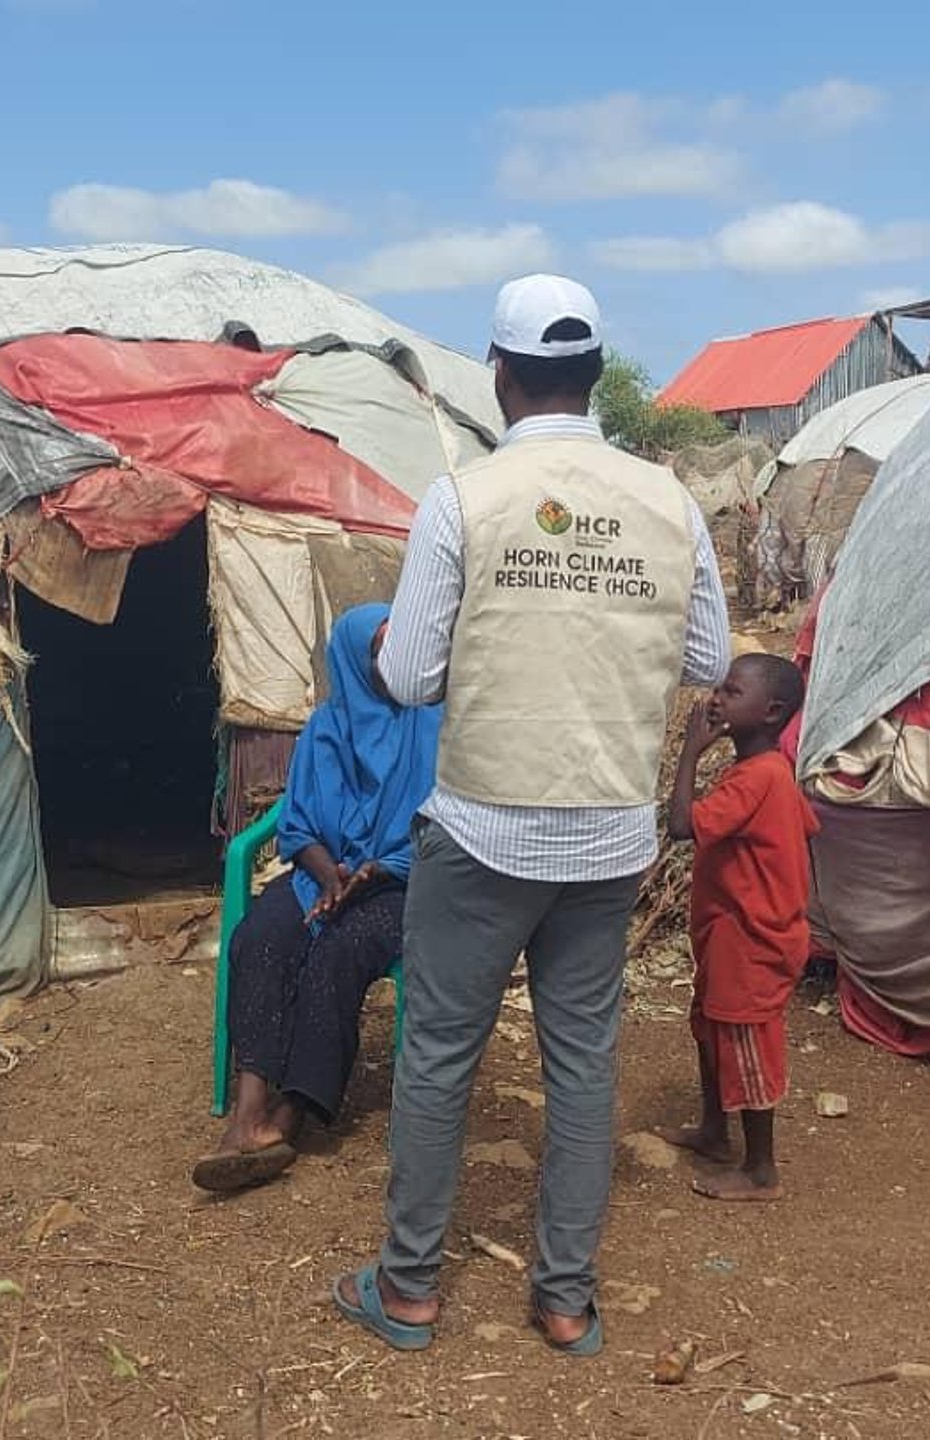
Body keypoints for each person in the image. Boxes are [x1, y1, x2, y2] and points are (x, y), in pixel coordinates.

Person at [331, 275, 731, 1355]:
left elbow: (410, 676)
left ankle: (410, 1288)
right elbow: (707, 660)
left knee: (440, 1058)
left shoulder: (464, 499)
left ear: (499, 374)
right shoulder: (670, 502)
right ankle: (563, 1298)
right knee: (583, 1061)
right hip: (606, 838)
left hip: (483, 832)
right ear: (599, 377)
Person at [194, 603, 441, 1192]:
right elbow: (297, 825)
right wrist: (329, 876)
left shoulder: (431, 726)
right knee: (260, 938)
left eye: (395, 647)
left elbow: (439, 825)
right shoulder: (324, 729)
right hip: (320, 873)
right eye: (378, 650)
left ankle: (294, 1110)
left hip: (402, 880)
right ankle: (248, 1110)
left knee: (339, 952)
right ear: (353, 660)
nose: (390, 661)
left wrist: (377, 871)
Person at [660, 653, 817, 1201]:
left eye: (731, 691)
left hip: (753, 940)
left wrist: (688, 752)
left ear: (771, 711)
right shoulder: (764, 775)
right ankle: (714, 1130)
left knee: (746, 1040)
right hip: (729, 933)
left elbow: (682, 825)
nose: (717, 699)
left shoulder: (759, 779)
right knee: (709, 1023)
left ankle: (760, 1169)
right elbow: (805, 825)